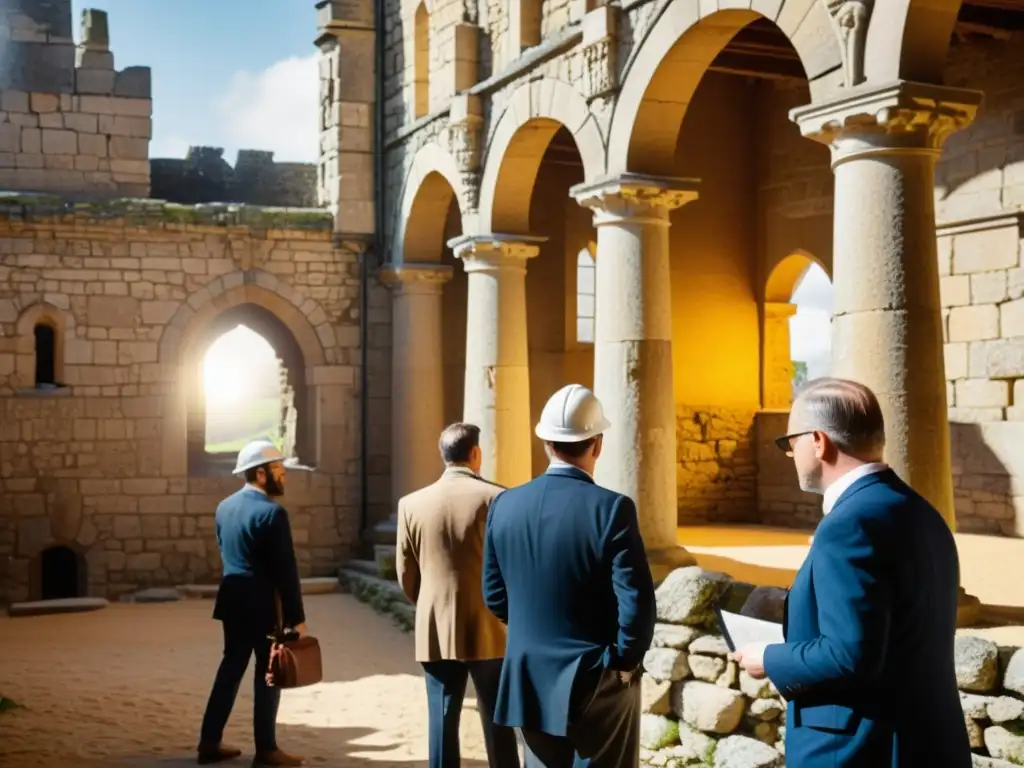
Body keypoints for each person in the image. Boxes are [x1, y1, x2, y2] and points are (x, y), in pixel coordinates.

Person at [732, 377, 971, 767]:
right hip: (926, 741)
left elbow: (850, 652)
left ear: (819, 441)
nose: (791, 454)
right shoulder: (920, 510)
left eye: (790, 442)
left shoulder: (849, 524)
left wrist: (770, 657)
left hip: (861, 749)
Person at [481, 384, 656, 768]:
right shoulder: (612, 509)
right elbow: (637, 601)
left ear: (546, 442)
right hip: (597, 674)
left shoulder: (504, 504)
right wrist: (624, 662)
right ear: (598, 443)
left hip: (527, 673)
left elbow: (494, 595)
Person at [396, 423, 521, 768]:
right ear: (476, 453)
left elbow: (406, 576)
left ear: (444, 456)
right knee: (499, 719)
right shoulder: (499, 497)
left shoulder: (410, 504)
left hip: (435, 624)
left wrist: (430, 604)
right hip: (491, 624)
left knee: (441, 718)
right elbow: (513, 567)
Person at [197, 439, 306, 767]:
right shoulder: (273, 513)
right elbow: (285, 570)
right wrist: (295, 617)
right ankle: (267, 749)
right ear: (260, 474)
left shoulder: (223, 507)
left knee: (230, 670)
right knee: (268, 674)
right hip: (262, 607)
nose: (283, 474)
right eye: (277, 469)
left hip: (232, 602)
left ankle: (209, 742)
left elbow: (226, 554)